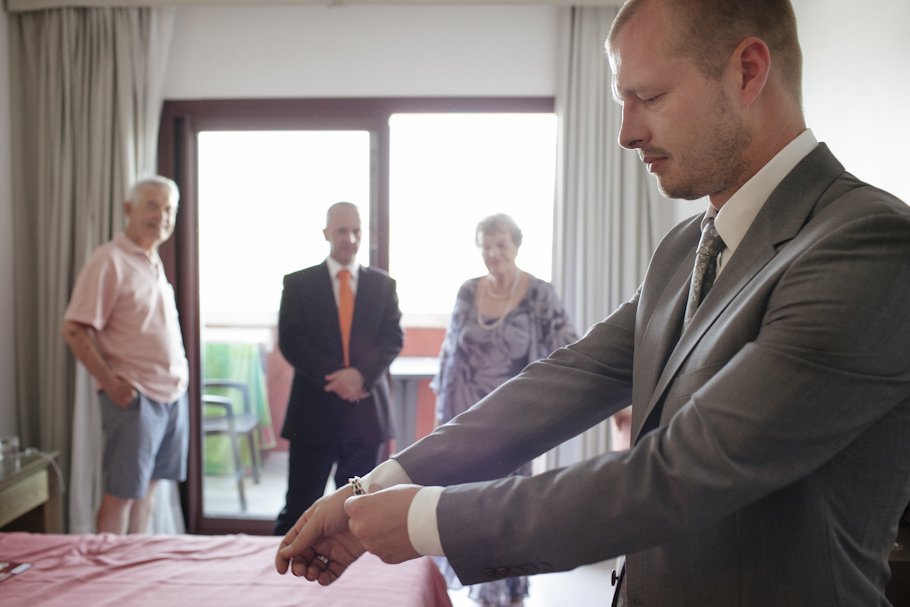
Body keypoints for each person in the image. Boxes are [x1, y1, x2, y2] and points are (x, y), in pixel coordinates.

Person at [275, 1, 910, 604]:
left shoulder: (867, 243)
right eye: (622, 101)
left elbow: (682, 473)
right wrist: (382, 483)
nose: (627, 134)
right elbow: (563, 381)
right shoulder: (688, 243)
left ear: (748, 71)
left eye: (650, 97)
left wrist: (424, 520)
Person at [431, 213, 578, 606]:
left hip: (515, 420)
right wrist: (443, 422)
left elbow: (568, 345)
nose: (493, 253)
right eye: (486, 245)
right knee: (468, 501)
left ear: (516, 245)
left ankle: (508, 586)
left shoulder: (539, 294)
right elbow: (450, 356)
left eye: (501, 244)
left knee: (507, 504)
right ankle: (482, 587)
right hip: (466, 418)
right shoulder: (467, 291)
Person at [62, 175, 188, 534]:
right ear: (128, 209)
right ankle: (108, 575)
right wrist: (109, 382)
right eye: (152, 205)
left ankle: (133, 571)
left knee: (147, 493)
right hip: (136, 396)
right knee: (121, 495)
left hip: (171, 395)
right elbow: (73, 328)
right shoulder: (109, 260)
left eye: (168, 209)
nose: (161, 216)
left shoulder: (151, 261)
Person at [273, 201, 404, 536]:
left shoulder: (383, 285)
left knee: (363, 512)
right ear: (326, 233)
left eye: (356, 230)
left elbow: (392, 338)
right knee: (299, 507)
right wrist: (336, 378)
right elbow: (291, 340)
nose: (350, 237)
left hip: (366, 416)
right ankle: (282, 578)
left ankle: (358, 584)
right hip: (312, 414)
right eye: (342, 230)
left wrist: (360, 376)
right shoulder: (298, 284)